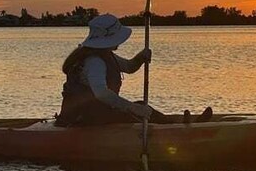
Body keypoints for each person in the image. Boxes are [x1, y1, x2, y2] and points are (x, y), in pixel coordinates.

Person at [55, 13, 211, 127]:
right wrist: (132, 107)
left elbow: (129, 67)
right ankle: (175, 131)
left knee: (143, 105)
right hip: (83, 118)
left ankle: (179, 125)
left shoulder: (106, 56)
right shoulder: (94, 62)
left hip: (98, 112)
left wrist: (140, 58)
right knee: (133, 113)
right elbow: (101, 93)